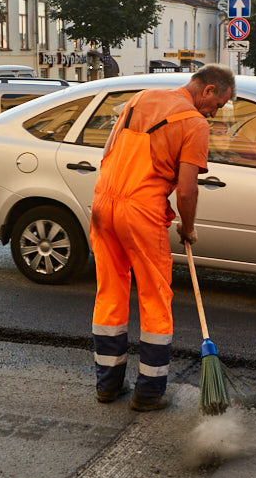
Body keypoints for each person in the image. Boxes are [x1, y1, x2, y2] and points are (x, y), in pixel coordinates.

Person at [90, 64, 236, 412]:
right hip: (141, 213)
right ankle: (149, 393)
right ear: (209, 90)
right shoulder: (195, 124)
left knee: (110, 292)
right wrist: (187, 226)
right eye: (219, 104)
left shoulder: (140, 99)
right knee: (155, 299)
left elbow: (108, 154)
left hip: (102, 204)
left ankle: (107, 386)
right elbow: (187, 191)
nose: (216, 113)